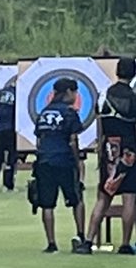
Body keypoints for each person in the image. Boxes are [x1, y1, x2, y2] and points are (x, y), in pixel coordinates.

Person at [87, 56, 136, 255]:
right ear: (134, 74)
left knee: (103, 197)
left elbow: (99, 125)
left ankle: (88, 241)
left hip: (109, 150)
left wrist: (100, 148)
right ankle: (125, 243)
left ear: (117, 71)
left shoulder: (103, 96)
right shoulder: (135, 100)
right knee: (129, 198)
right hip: (129, 152)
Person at [31, 77, 91, 254]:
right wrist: (77, 160)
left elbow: (40, 139)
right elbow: (73, 140)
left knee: (47, 204)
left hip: (44, 161)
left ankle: (51, 244)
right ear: (69, 93)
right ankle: (80, 235)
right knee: (76, 198)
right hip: (64, 160)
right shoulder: (69, 112)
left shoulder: (43, 113)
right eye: (75, 92)